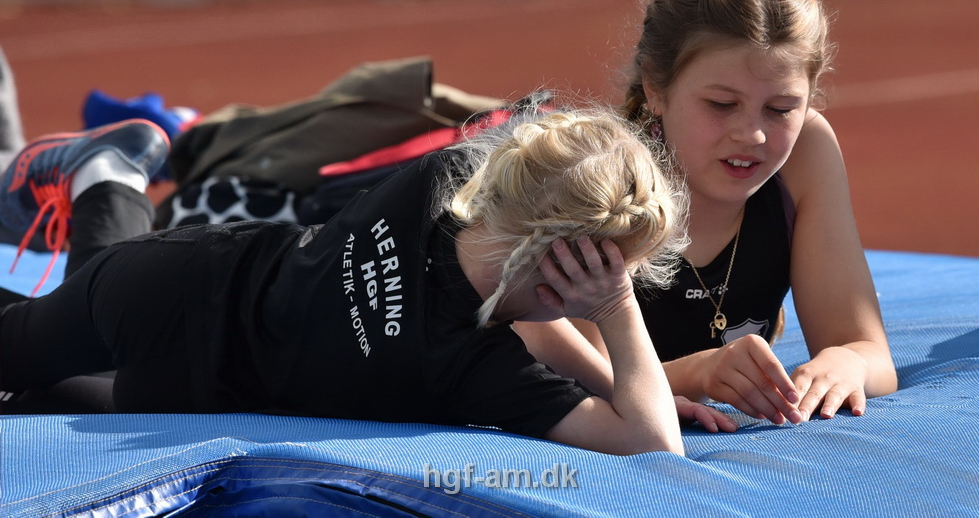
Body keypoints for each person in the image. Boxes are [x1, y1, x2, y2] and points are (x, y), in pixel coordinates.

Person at [0, 110, 739, 454]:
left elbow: (522, 312)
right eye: (615, 271)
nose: (614, 285)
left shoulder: (438, 183)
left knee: (27, 384)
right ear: (564, 271)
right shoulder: (471, 368)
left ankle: (108, 178)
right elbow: (652, 447)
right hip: (173, 339)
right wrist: (615, 310)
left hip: (175, 306)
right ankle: (107, 182)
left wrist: (614, 383)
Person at [516, 0, 898, 426]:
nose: (752, 134)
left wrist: (847, 362)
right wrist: (698, 373)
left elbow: (869, 352)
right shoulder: (599, 181)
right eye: (721, 104)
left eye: (781, 109)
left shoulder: (806, 151)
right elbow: (576, 377)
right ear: (655, 88)